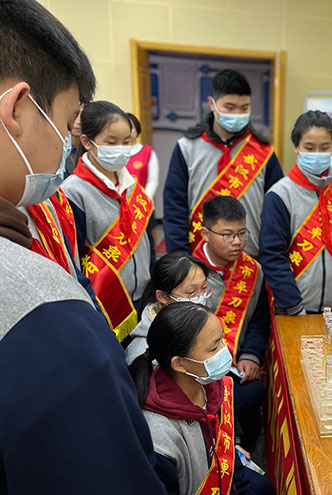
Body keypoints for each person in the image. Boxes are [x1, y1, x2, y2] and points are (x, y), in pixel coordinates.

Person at [0, 0, 166, 492]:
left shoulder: (43, 200)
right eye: (68, 123)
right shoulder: (37, 305)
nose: (67, 145)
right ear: (17, 108)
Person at [129, 302, 275, 495]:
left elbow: (227, 457)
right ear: (179, 364)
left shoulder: (212, 387)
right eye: (214, 348)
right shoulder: (159, 440)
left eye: (222, 340)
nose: (225, 351)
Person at [163, 69, 283, 258]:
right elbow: (174, 208)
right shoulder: (187, 148)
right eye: (230, 107)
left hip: (251, 260)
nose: (238, 114)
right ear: (212, 104)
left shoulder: (263, 152)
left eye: (244, 108)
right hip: (199, 260)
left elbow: (276, 211)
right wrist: (181, 260)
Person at [62, 101, 155, 341]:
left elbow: (146, 239)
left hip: (144, 300)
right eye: (111, 143)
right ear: (87, 142)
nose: (121, 150)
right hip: (104, 306)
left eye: (126, 142)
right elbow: (72, 260)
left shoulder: (131, 184)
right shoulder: (73, 192)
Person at [259, 110, 332, 315]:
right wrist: (293, 306)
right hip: (295, 310)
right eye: (309, 147)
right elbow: (272, 255)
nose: (317, 154)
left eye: (324, 148)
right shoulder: (279, 195)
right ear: (296, 147)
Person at [194, 195, 270, 450]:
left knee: (252, 393)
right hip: (199, 366)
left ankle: (247, 450)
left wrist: (251, 355)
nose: (237, 242)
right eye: (227, 235)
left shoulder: (253, 270)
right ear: (205, 234)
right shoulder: (189, 273)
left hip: (237, 363)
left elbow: (259, 321)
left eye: (242, 233)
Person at [125, 250, 211, 366]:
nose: (200, 297)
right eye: (191, 292)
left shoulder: (203, 320)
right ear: (162, 296)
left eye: (204, 288)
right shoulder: (142, 351)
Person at [126, 112, 160, 200]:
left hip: (143, 203)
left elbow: (152, 182)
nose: (128, 131)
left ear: (137, 129)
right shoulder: (115, 153)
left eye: (131, 127)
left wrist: (144, 200)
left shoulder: (148, 152)